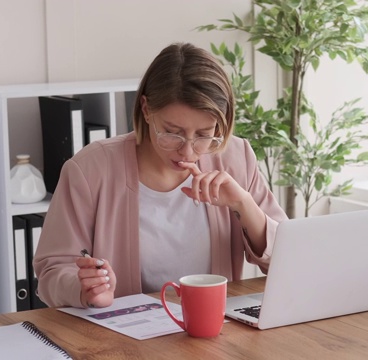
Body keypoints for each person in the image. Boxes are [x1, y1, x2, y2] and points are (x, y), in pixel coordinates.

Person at [33, 42, 288, 309]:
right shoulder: (90, 170)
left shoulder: (235, 156)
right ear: (146, 109)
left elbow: (288, 260)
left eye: (203, 135)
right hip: (124, 341)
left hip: (213, 332)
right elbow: (52, 270)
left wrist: (243, 204)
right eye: (172, 132)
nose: (188, 151)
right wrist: (85, 289)